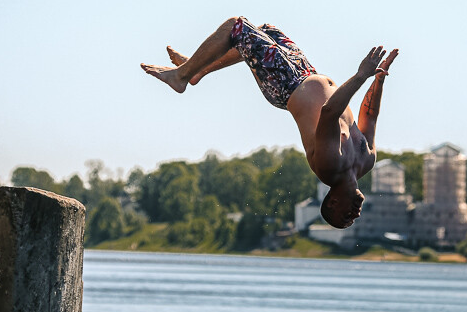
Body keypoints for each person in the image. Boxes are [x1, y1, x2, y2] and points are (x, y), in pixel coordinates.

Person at [141, 16, 398, 228]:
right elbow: (370, 115)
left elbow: (330, 111)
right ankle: (197, 69)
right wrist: (378, 80)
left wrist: (361, 76)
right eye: (352, 218)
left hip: (286, 85)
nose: (356, 214)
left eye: (347, 217)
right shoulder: (367, 160)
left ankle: (181, 76)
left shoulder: (329, 167)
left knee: (237, 27)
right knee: (266, 31)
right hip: (306, 72)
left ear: (332, 202)